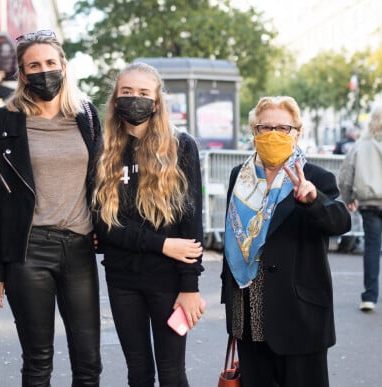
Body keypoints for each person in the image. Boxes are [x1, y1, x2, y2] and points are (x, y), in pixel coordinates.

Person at [0, 30, 102, 386]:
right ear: (22, 74)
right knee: (37, 361)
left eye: (51, 63)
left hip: (80, 248)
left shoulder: (86, 115)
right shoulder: (3, 122)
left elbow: (98, 179)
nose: (44, 71)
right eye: (34, 65)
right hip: (29, 251)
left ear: (64, 66)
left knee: (89, 361)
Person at [221, 96, 351, 387]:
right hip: (247, 313)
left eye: (283, 128)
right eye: (265, 127)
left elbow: (341, 222)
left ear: (297, 133)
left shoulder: (316, 177)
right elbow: (233, 236)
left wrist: (313, 200)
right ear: (254, 132)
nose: (273, 135)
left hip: (299, 315)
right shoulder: (238, 177)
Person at [93, 62, 205, 387]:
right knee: (138, 373)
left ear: (157, 101)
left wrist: (190, 287)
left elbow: (191, 224)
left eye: (143, 93)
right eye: (126, 92)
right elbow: (104, 226)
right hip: (122, 280)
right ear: (115, 100)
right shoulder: (103, 151)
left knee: (172, 374)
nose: (134, 99)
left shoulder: (181, 146)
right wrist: (162, 244)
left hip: (170, 282)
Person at [338, 105, 382, 312]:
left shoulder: (361, 145)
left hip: (370, 202)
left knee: (372, 248)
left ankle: (369, 297)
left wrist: (348, 198)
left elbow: (345, 175)